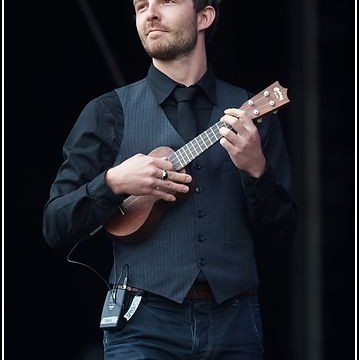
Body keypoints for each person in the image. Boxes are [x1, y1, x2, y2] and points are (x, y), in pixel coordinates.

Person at [42, 0, 297, 359]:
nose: (150, 13)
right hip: (142, 322)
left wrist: (257, 171)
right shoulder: (107, 113)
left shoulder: (249, 113)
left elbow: (282, 237)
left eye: (167, 1)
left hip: (235, 323)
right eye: (140, 5)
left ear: (204, 16)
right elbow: (55, 224)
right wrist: (113, 182)